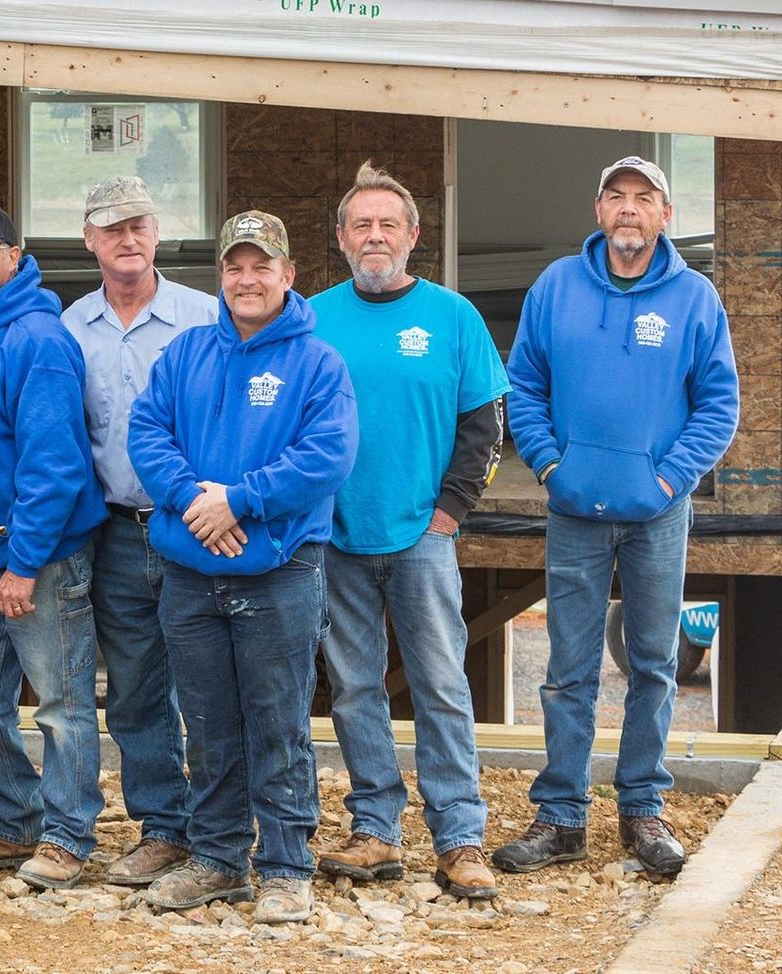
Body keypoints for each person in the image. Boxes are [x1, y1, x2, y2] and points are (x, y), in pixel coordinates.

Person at [494, 156, 738, 878]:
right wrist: (547, 465)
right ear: (598, 211)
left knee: (655, 665)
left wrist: (669, 477)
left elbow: (719, 404)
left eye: (644, 198)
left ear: (665, 215)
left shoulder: (695, 298)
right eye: (616, 197)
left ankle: (643, 811)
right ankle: (562, 816)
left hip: (658, 514)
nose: (629, 209)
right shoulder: (556, 289)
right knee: (567, 670)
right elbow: (524, 384)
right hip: (575, 509)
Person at [130, 210, 356, 924]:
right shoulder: (186, 353)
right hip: (190, 570)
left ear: (289, 276)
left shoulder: (318, 362)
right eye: (236, 266)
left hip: (280, 570)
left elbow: (327, 456)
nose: (247, 278)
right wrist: (196, 500)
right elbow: (147, 431)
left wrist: (241, 501)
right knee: (208, 721)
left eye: (263, 266)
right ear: (221, 276)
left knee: (278, 718)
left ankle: (287, 865)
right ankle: (219, 858)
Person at [311, 162, 507, 900]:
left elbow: (484, 425)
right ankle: (375, 831)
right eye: (361, 224)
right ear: (340, 238)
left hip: (423, 535)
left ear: (414, 235)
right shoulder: (313, 316)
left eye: (388, 223)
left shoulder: (453, 317)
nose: (374, 235)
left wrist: (451, 511)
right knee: (356, 688)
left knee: (441, 685)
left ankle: (460, 838)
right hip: (335, 534)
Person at [0, 202, 107, 890]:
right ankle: (15, 819)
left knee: (61, 702)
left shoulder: (36, 337)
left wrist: (25, 561)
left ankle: (69, 835)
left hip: (41, 555)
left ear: (15, 255)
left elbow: (55, 464)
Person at [59, 176, 210, 888]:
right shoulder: (70, 326)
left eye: (139, 225)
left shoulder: (205, 318)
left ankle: (221, 830)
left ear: (157, 233)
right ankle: (165, 829)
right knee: (136, 690)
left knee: (210, 683)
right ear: (89, 240)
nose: (128, 239)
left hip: (200, 529)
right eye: (112, 228)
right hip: (117, 532)